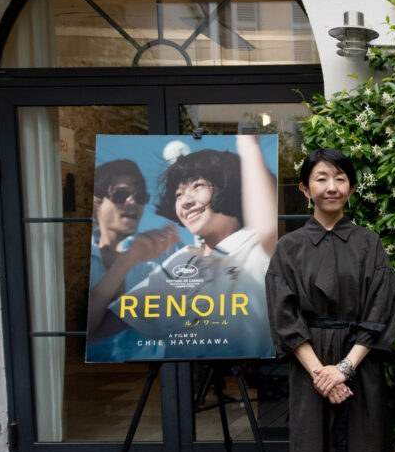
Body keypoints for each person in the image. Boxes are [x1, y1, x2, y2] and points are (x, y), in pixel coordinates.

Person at [265, 147, 395, 452]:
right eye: (321, 178)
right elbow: (284, 316)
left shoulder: (368, 243)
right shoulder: (288, 248)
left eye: (340, 178)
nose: (331, 187)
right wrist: (320, 373)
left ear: (352, 187)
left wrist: (344, 368)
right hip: (309, 368)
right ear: (305, 189)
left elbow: (381, 309)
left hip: (359, 365)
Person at [96, 135, 278, 359]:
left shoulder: (256, 246)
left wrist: (248, 145)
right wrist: (126, 262)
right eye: (178, 194)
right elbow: (95, 328)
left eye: (197, 186)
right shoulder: (180, 263)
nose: (185, 201)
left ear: (232, 188)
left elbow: (267, 226)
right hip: (183, 379)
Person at [86, 159, 179, 362]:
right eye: (120, 195)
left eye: (140, 196)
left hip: (148, 369)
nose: (132, 202)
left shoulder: (154, 259)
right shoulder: (81, 259)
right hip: (89, 373)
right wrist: (126, 261)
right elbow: (83, 331)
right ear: (96, 202)